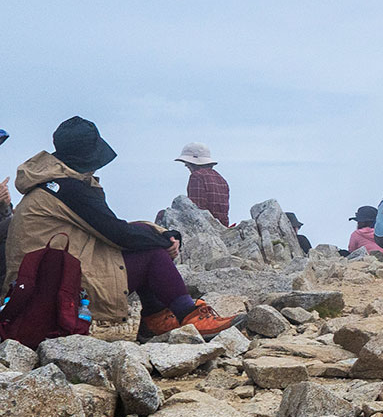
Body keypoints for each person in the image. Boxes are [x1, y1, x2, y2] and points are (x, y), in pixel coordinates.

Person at [5, 117, 235, 340]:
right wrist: (165, 242)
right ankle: (187, 314)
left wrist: (162, 234)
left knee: (144, 243)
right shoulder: (68, 189)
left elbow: (114, 228)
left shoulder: (50, 184)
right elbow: (118, 234)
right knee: (152, 255)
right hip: (56, 292)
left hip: (39, 284)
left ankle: (156, 319)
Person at [175, 143, 230, 225]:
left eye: (187, 162)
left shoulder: (197, 176)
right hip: (222, 225)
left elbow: (196, 209)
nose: (186, 165)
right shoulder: (221, 180)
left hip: (206, 225)